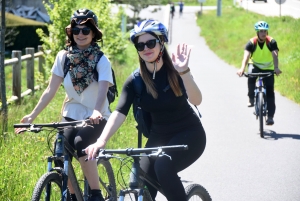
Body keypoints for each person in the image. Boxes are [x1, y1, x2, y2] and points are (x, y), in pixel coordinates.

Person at [84, 19, 206, 201]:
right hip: (158, 138)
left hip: (189, 135)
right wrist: (101, 141)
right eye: (140, 46)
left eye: (150, 43)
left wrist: (184, 71)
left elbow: (197, 100)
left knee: (163, 166)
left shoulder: (176, 71)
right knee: (140, 179)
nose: (146, 48)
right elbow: (119, 112)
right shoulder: (136, 80)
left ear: (161, 42)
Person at [15, 9, 114, 201]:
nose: (80, 34)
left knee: (81, 144)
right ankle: (72, 195)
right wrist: (31, 116)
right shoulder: (63, 57)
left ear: (94, 33)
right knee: (60, 150)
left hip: (97, 115)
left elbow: (102, 90)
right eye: (76, 30)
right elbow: (50, 90)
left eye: (86, 30)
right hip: (72, 112)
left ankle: (95, 194)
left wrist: (96, 111)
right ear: (71, 32)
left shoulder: (102, 60)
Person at [237, 21, 282, 125]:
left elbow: (275, 55)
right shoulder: (251, 42)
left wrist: (276, 67)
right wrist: (242, 68)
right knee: (251, 77)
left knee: (270, 92)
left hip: (268, 67)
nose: (263, 33)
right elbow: (246, 57)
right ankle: (251, 97)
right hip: (255, 65)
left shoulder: (271, 42)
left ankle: (270, 116)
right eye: (261, 31)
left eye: (265, 31)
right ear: (257, 32)